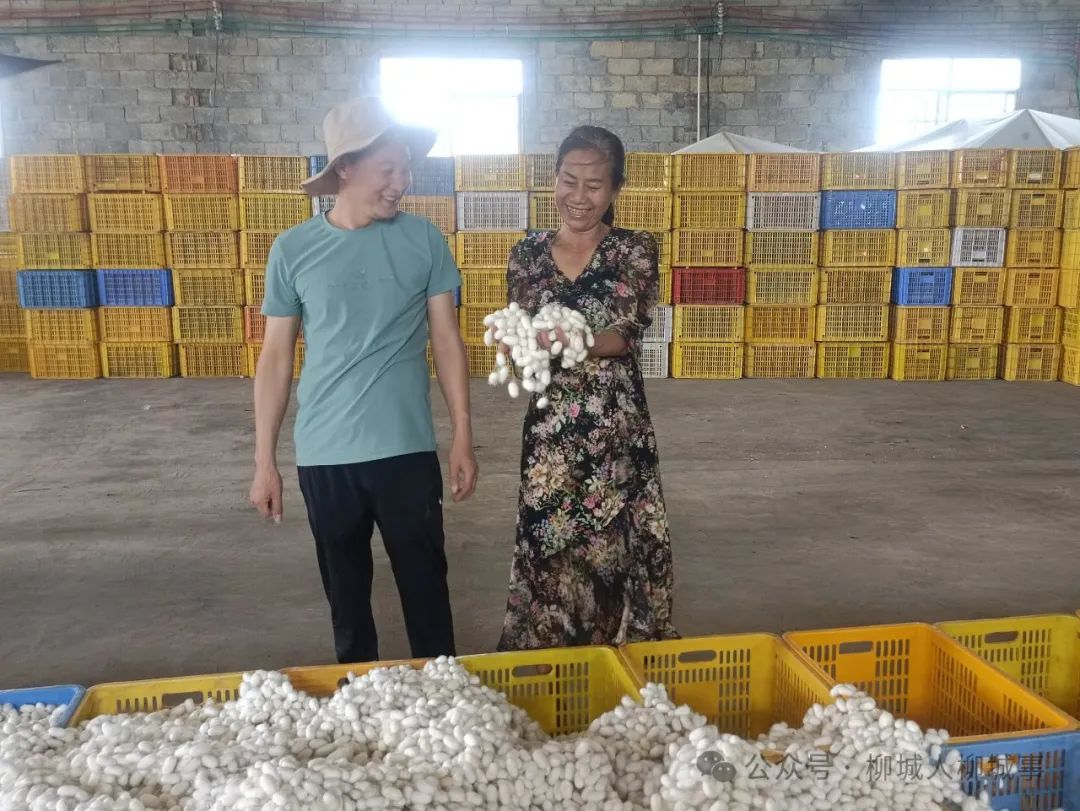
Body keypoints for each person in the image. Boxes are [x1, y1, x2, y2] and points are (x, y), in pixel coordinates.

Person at [249, 97, 478, 664]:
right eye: (388, 170)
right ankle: (357, 694)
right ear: (346, 169)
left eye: (406, 169)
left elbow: (447, 340)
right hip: (325, 454)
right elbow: (275, 358)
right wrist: (264, 461)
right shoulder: (293, 250)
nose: (401, 183)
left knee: (427, 595)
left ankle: (444, 693)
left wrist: (462, 434)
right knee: (347, 603)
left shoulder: (423, 239)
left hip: (406, 448)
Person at [496, 125, 678, 650]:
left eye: (594, 185)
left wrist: (565, 338)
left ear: (616, 189)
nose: (579, 196)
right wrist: (517, 345)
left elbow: (623, 336)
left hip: (614, 431)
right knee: (549, 553)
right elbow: (521, 341)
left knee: (614, 554)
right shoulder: (527, 254)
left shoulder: (633, 250)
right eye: (568, 180)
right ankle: (552, 661)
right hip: (551, 437)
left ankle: (615, 661)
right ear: (553, 180)